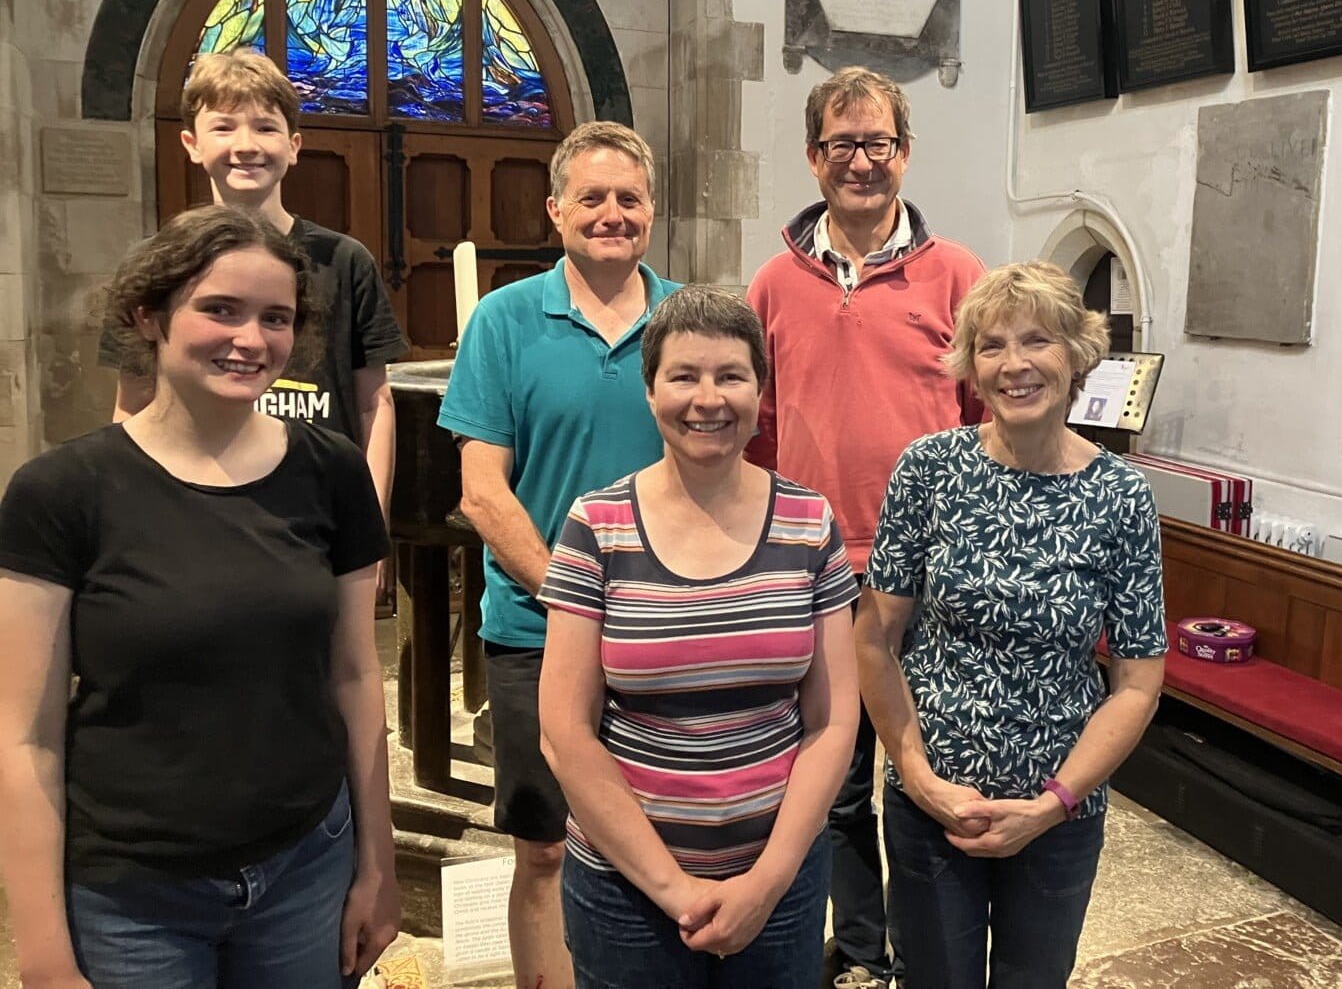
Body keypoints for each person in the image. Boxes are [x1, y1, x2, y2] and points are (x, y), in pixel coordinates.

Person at [0, 204, 400, 989]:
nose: (251, 339)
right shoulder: (61, 491)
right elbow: (26, 735)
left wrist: (377, 864)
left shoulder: (331, 471)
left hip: (303, 866)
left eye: (275, 318)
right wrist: (42, 949)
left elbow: (355, 677)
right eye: (221, 309)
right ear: (148, 316)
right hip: (134, 891)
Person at [855, 261, 1167, 989]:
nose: (1013, 364)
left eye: (1036, 341)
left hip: (1058, 812)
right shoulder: (929, 470)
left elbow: (1136, 682)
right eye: (991, 345)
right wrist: (918, 777)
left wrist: (1052, 805)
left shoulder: (1121, 496)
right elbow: (874, 638)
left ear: (1078, 355)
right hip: (934, 803)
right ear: (971, 365)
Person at [538, 286, 860, 988]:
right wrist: (675, 890)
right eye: (683, 376)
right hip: (625, 890)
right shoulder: (597, 525)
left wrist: (767, 883)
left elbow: (833, 720)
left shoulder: (808, 520)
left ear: (759, 392)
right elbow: (564, 733)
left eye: (731, 376)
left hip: (779, 884)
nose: (707, 399)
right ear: (650, 391)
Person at [745, 65, 984, 989]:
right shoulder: (775, 283)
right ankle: (858, 949)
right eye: (841, 144)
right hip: (819, 568)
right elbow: (759, 430)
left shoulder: (957, 274)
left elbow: (983, 421)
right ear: (814, 158)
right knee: (835, 781)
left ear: (905, 153)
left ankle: (930, 954)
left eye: (877, 143)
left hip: (930, 571)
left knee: (929, 777)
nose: (860, 161)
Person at [439, 120, 680, 989]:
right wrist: (577, 594)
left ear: (652, 209)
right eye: (592, 197)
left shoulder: (686, 319)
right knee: (544, 848)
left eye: (629, 198)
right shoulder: (503, 322)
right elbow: (482, 493)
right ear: (555, 210)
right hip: (538, 628)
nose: (612, 213)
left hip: (665, 626)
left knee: (662, 838)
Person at [100, 48, 411, 518]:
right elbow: (133, 402)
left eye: (265, 127)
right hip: (190, 502)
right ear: (192, 144)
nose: (246, 145)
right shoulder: (155, 263)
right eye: (224, 127)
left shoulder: (345, 260)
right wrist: (128, 515)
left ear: (294, 145)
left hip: (314, 502)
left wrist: (371, 519)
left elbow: (374, 402)